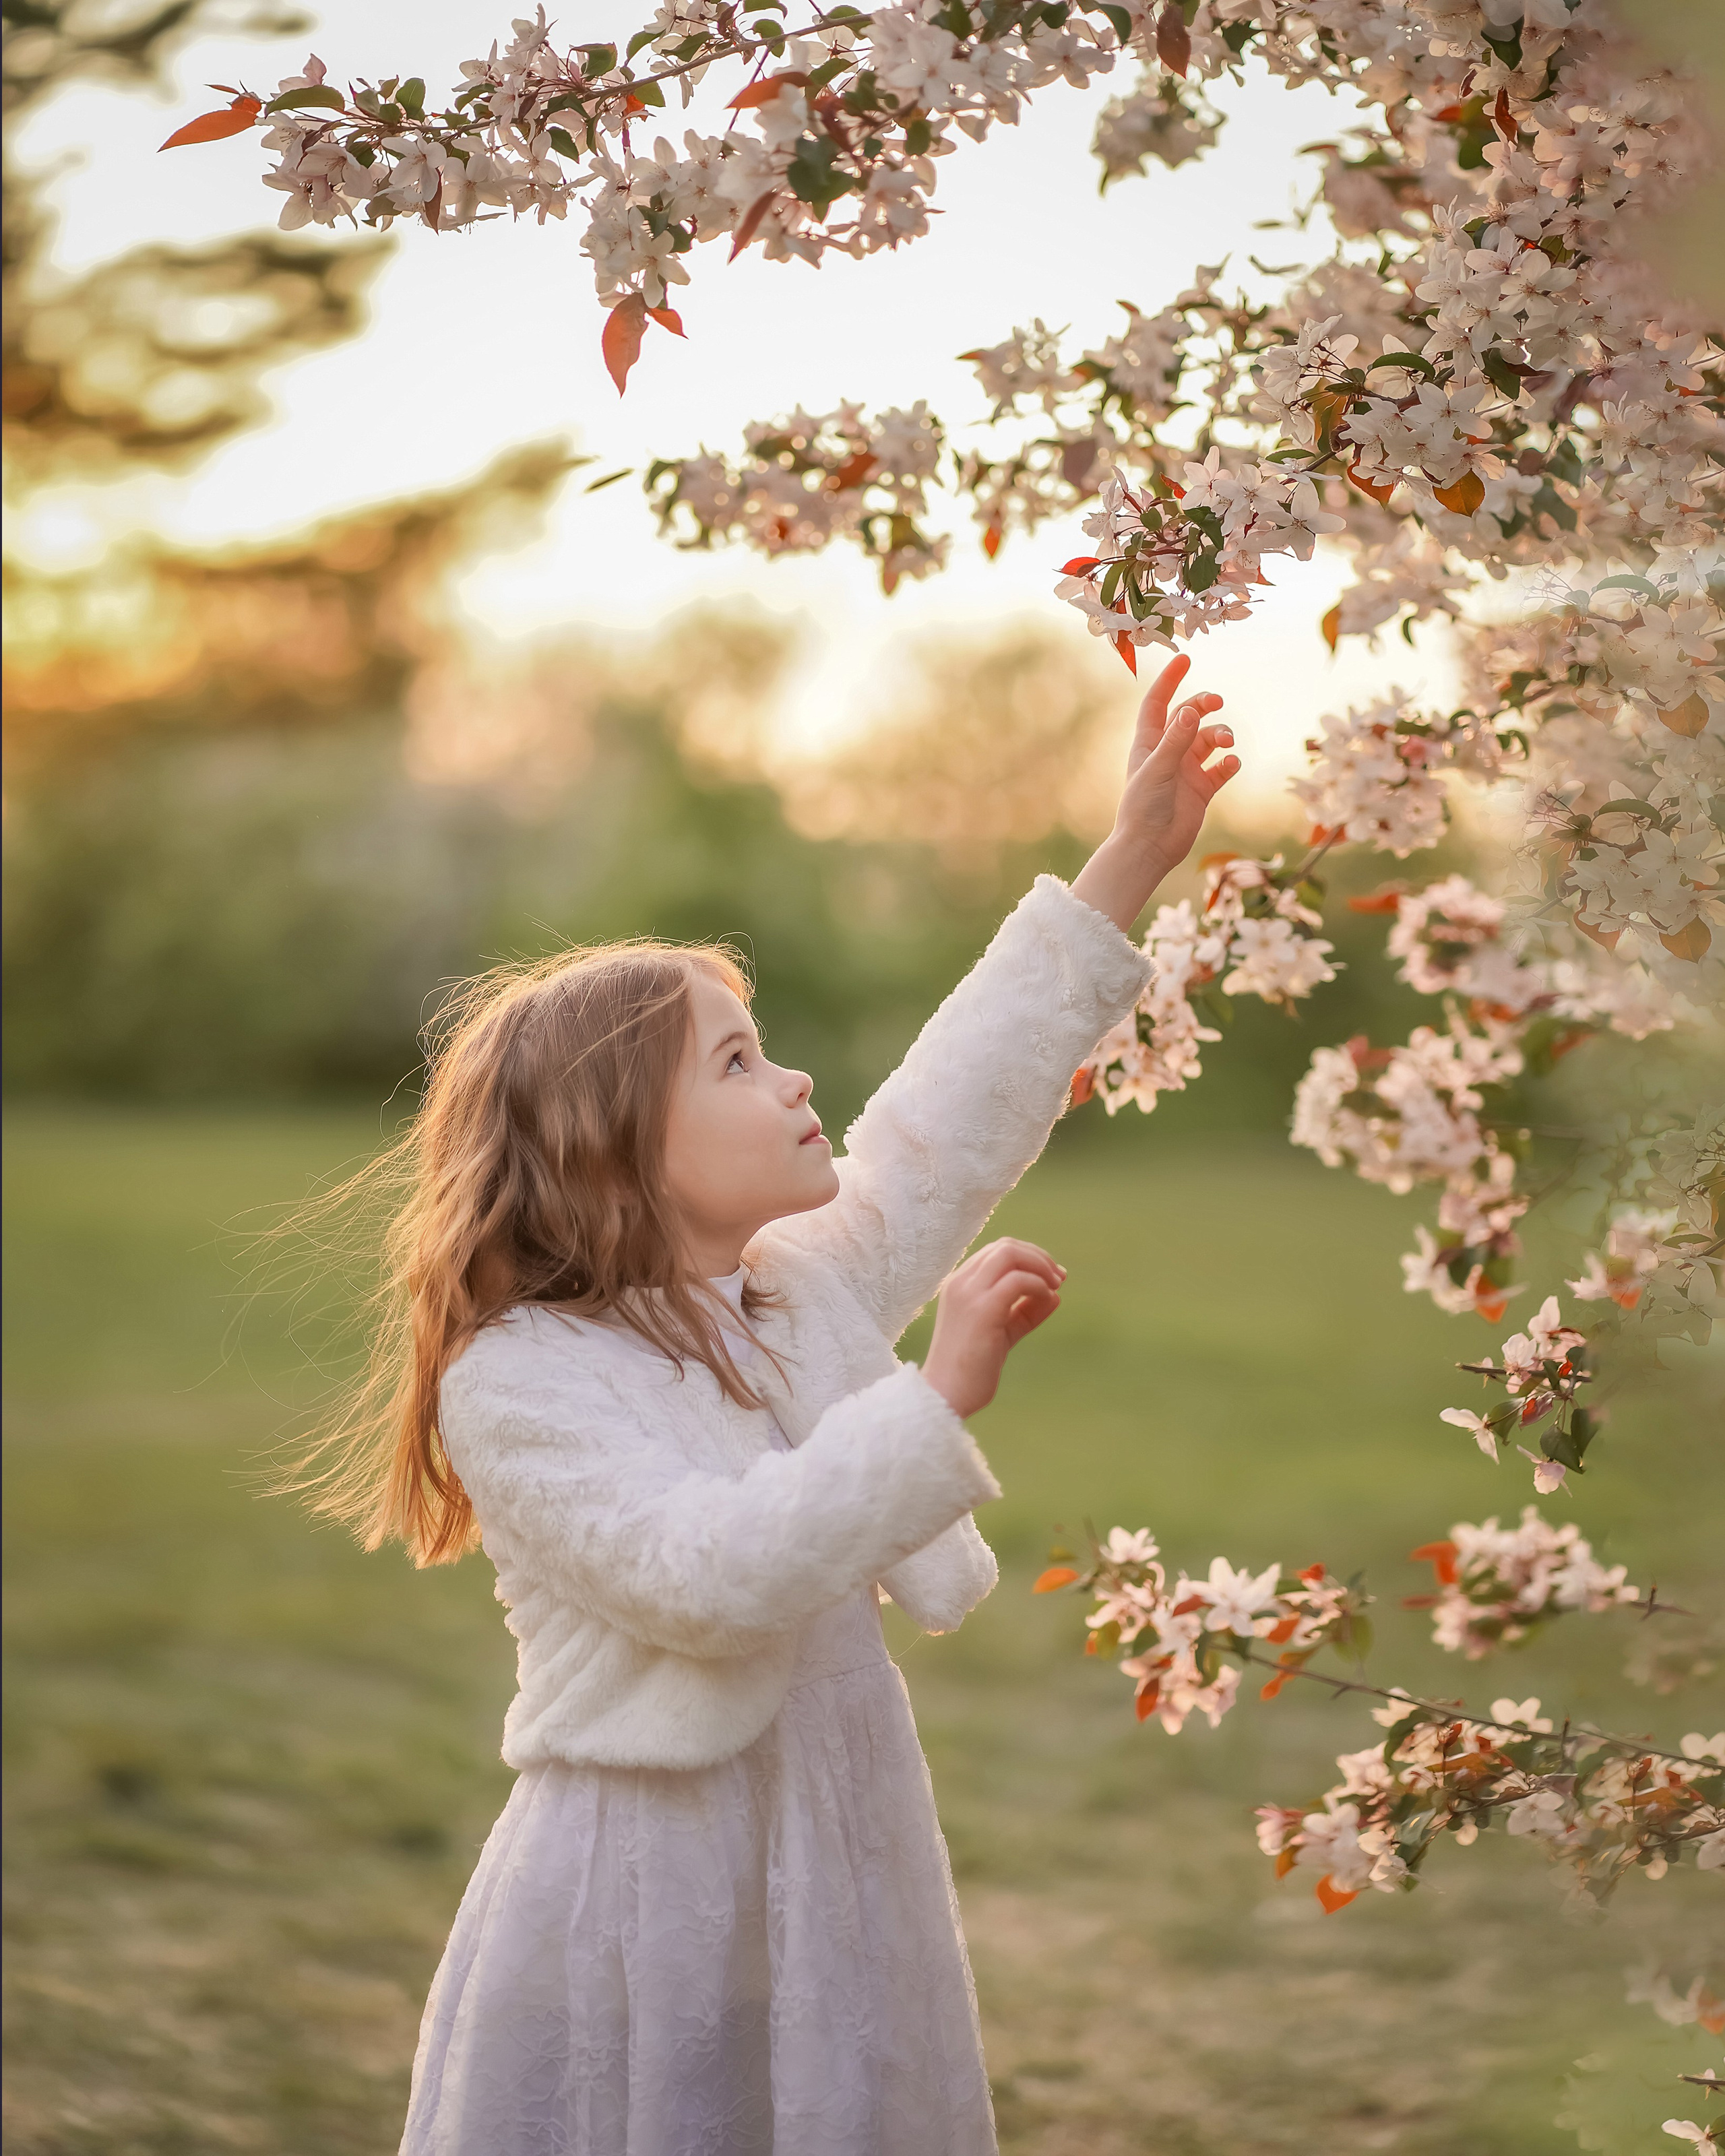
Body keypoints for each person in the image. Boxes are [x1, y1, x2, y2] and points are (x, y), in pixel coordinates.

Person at [311, 654, 1236, 2155]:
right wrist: (931, 1396)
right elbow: (709, 1576)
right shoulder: (524, 1385)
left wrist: (1123, 860)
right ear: (619, 1153)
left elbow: (941, 1128)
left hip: (838, 1850)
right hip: (645, 1894)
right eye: (738, 1060)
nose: (797, 1076)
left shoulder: (787, 1287)